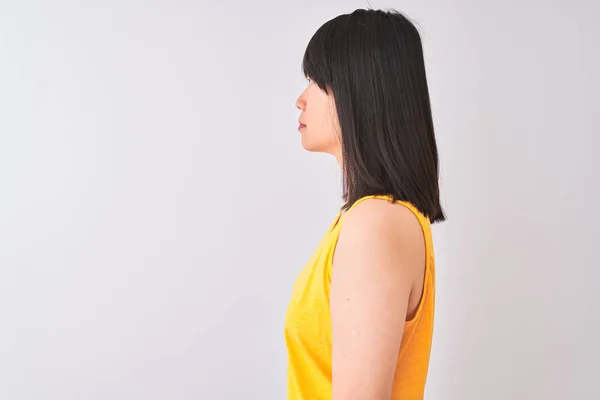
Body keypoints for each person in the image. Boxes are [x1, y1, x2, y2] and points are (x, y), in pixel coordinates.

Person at [284, 8, 445, 400]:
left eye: (315, 81)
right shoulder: (373, 219)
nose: (300, 99)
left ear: (357, 91)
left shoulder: (376, 223)